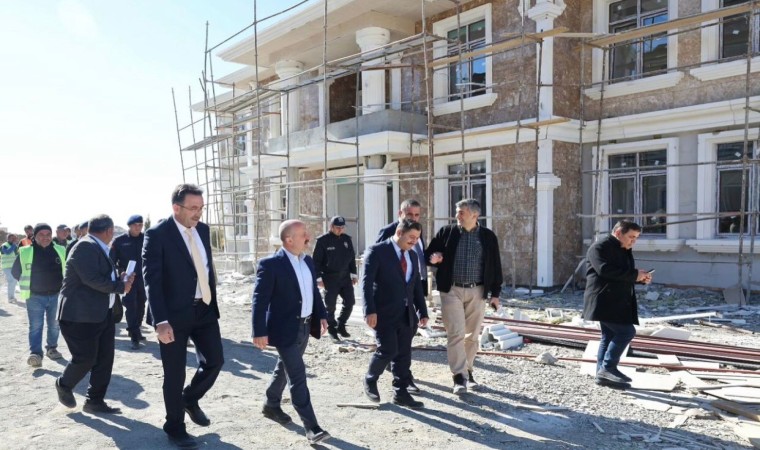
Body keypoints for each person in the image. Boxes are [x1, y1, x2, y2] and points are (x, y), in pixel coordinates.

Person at [143, 184, 224, 449]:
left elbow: (205, 269)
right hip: (173, 316)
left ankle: (189, 399)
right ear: (176, 208)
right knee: (174, 374)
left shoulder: (203, 230)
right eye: (193, 208)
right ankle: (175, 426)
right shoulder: (157, 234)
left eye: (201, 208)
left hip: (204, 309)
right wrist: (160, 320)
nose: (198, 213)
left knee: (215, 361)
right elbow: (152, 280)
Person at [252, 220, 330, 445]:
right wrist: (258, 331)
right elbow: (259, 300)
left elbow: (313, 291)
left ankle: (271, 404)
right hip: (284, 328)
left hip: (305, 326)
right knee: (297, 374)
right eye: (303, 234)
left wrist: (321, 314)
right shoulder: (270, 265)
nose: (308, 237)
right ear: (289, 239)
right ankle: (312, 427)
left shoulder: (307, 261)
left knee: (284, 366)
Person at [56, 215, 135, 413]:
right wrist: (120, 286)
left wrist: (120, 277)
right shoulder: (85, 246)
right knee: (85, 358)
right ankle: (64, 384)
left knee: (105, 359)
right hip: (79, 316)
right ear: (108, 231)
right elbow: (91, 279)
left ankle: (94, 401)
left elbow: (101, 275)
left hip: (101, 313)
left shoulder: (97, 247)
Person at [425, 198, 503, 394]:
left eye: (461, 212)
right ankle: (459, 377)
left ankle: (468, 370)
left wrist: (495, 294)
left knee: (472, 336)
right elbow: (429, 254)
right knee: (456, 333)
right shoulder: (446, 232)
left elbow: (495, 265)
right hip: (451, 290)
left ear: (475, 215)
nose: (457, 216)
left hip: (478, 291)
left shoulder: (488, 236)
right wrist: (434, 258)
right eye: (457, 211)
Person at [362, 219, 428, 409]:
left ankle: (400, 393)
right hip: (383, 312)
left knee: (404, 355)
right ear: (399, 233)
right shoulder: (377, 251)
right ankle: (370, 379)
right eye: (411, 237)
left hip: (406, 314)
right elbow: (366, 283)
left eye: (417, 238)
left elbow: (415, 286)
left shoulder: (412, 255)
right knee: (388, 349)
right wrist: (369, 310)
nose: (414, 241)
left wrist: (422, 311)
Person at [582, 220, 652, 388]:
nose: (633, 241)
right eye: (631, 237)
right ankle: (608, 368)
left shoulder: (623, 248)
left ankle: (602, 376)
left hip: (617, 300)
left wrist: (640, 278)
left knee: (609, 336)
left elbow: (623, 275)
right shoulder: (599, 247)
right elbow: (605, 270)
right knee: (626, 332)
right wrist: (635, 275)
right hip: (603, 300)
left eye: (636, 238)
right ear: (619, 232)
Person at [376, 198, 426, 392]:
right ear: (400, 214)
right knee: (398, 340)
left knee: (408, 334)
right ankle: (402, 378)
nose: (413, 218)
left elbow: (418, 258)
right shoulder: (389, 232)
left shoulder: (418, 230)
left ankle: (398, 370)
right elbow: (377, 263)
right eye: (409, 214)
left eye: (417, 215)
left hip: (412, 290)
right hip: (392, 297)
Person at [11, 224, 66, 367]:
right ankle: (36, 354)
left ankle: (52, 349)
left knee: (54, 325)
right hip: (34, 296)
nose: (45, 237)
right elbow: (15, 271)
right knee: (36, 326)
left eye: (48, 234)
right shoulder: (25, 252)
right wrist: (29, 283)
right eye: (41, 234)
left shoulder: (60, 250)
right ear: (34, 236)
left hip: (56, 295)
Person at [312, 216, 357, 341]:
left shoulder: (346, 239)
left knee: (350, 302)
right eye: (338, 227)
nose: (340, 230)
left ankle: (341, 324)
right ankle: (332, 329)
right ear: (331, 227)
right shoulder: (323, 241)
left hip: (345, 277)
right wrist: (318, 278)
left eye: (342, 227)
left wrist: (354, 274)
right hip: (329, 277)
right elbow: (316, 261)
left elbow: (351, 258)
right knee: (330, 306)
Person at [111, 214, 148, 349]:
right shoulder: (119, 241)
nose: (138, 227)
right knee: (131, 306)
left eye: (140, 225)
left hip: (143, 278)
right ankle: (134, 336)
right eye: (135, 225)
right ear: (129, 226)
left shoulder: (146, 239)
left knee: (141, 305)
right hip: (128, 279)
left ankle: (136, 328)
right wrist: (120, 273)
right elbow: (112, 261)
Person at [1, 234, 19, 302]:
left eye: (14, 238)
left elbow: (17, 255)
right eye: (12, 238)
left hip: (13, 266)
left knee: (14, 281)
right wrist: (14, 245)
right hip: (6, 267)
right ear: (8, 239)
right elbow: (7, 252)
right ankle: (10, 298)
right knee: (11, 280)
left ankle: (12, 296)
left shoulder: (15, 246)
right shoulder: (4, 245)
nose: (14, 240)